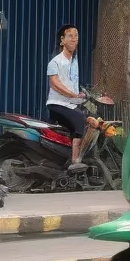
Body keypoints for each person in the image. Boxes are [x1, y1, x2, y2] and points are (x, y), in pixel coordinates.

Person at [47, 25, 86, 170]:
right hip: (57, 103)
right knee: (80, 119)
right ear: (62, 40)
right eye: (70, 36)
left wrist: (80, 94)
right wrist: (72, 95)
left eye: (76, 36)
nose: (74, 39)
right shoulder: (55, 62)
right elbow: (55, 83)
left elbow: (71, 83)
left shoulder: (74, 62)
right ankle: (75, 161)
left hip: (70, 103)